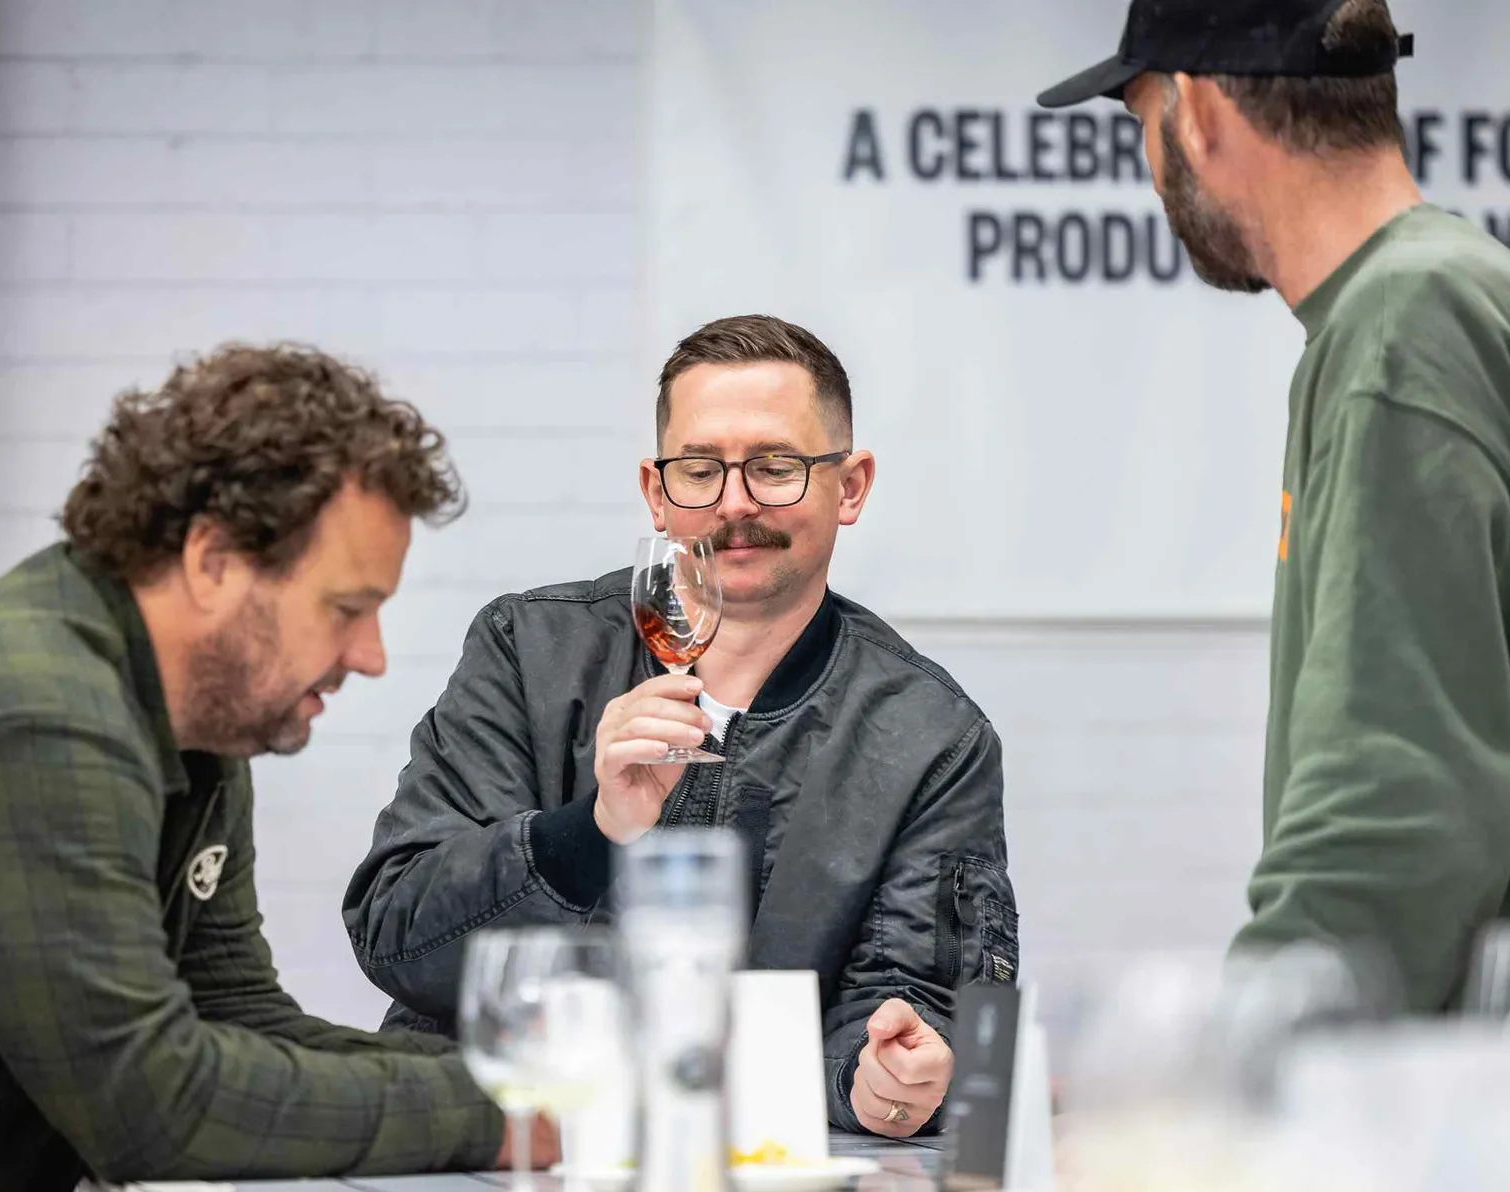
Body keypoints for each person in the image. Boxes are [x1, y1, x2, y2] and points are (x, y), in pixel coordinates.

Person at [0, 344, 541, 1192]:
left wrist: (514, 1093)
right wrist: (503, 1117)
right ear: (211, 560)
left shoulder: (191, 728)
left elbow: (235, 1016)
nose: (370, 655)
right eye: (346, 607)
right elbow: (151, 1106)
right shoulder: (26, 712)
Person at [1039, 0, 1510, 1011]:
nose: (1151, 168)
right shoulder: (1474, 295)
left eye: (1141, 122)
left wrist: (1233, 1087)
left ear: (1198, 113)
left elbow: (1395, 808)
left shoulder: (1404, 325)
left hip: (1484, 1119)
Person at [345, 315, 1018, 1135]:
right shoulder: (529, 650)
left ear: (851, 485)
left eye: (775, 466)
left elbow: (913, 1003)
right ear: (656, 493)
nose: (735, 504)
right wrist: (586, 833)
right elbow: (396, 933)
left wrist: (881, 1080)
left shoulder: (930, 738)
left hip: (747, 1188)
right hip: (493, 1156)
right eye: (700, 470)